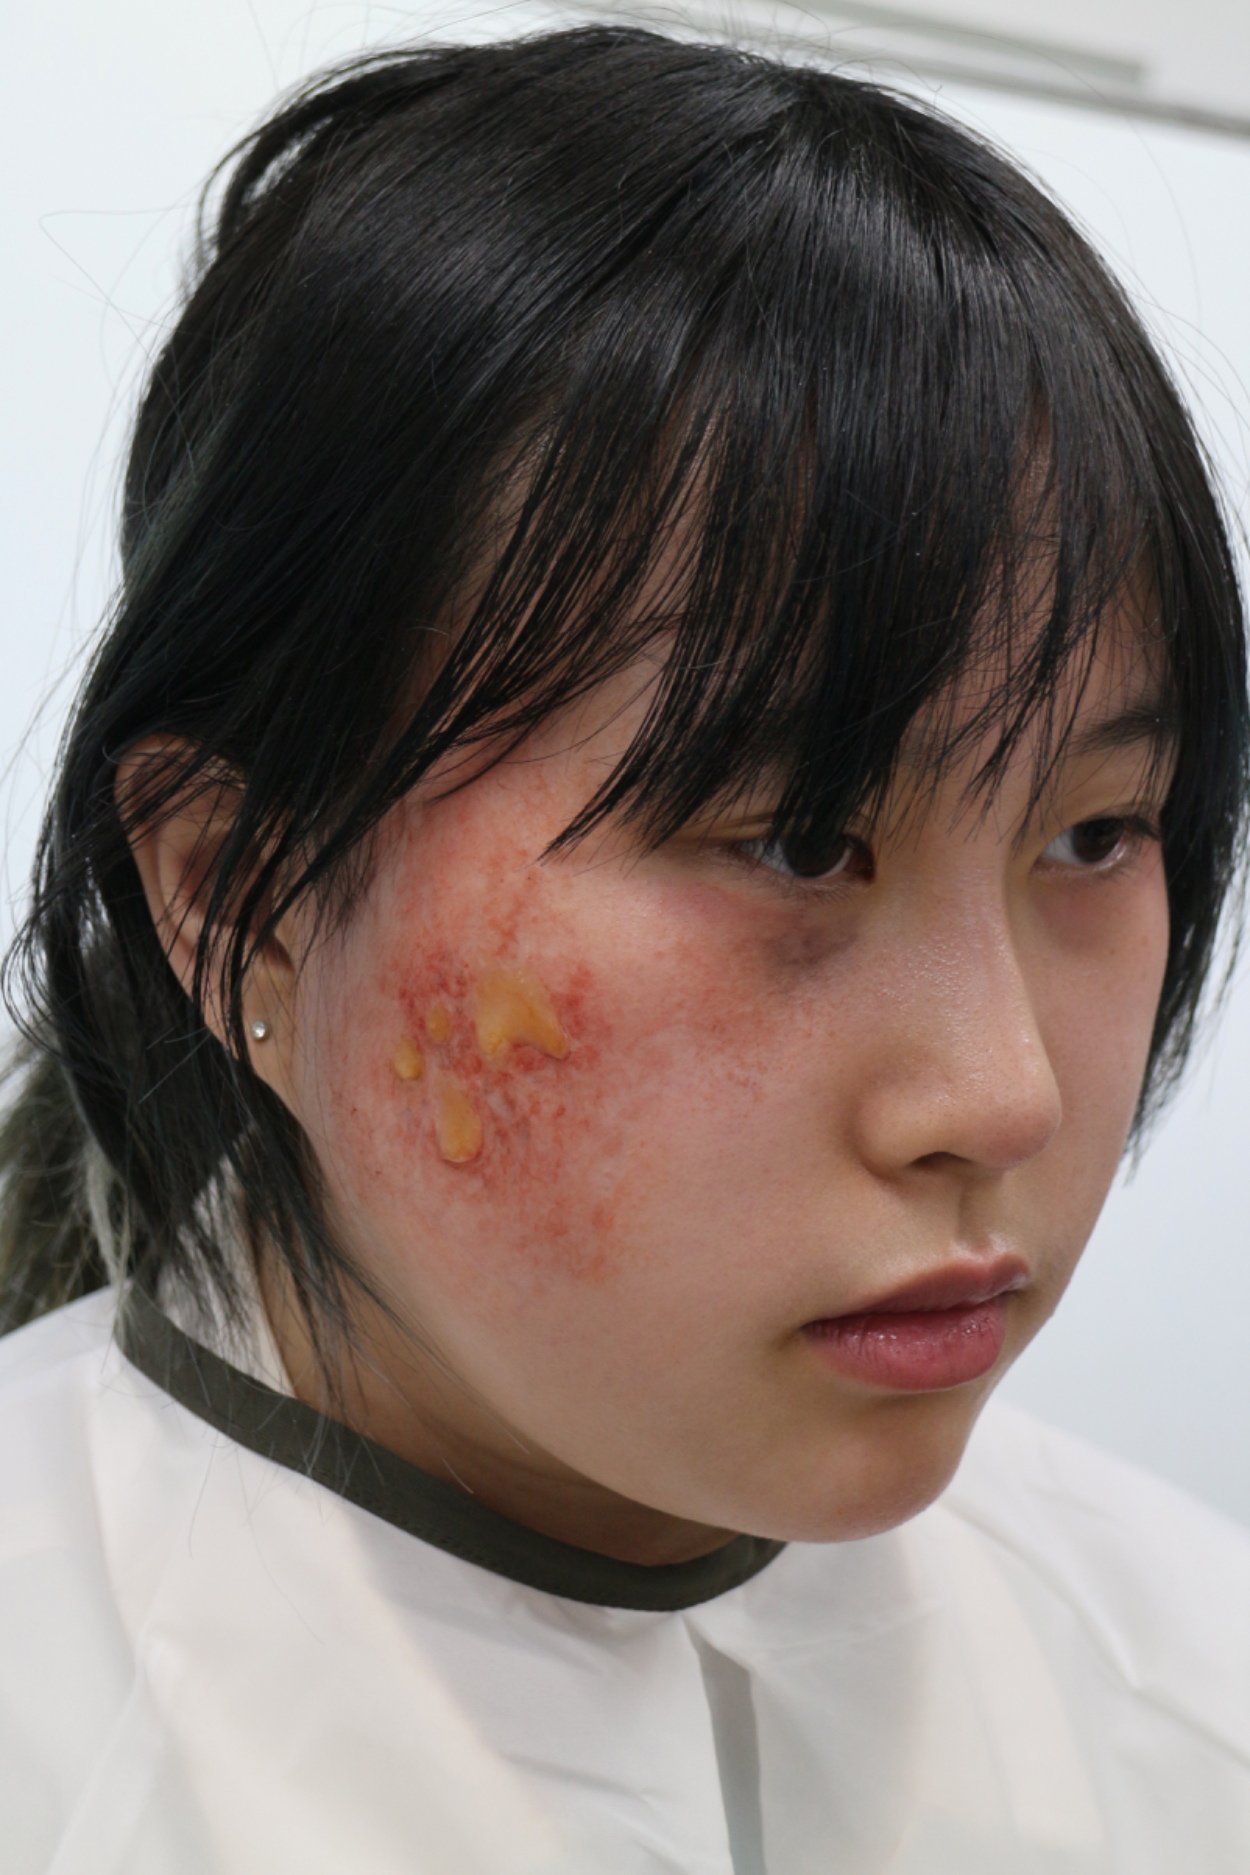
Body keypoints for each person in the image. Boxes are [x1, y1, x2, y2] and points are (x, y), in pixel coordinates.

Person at [1, 25, 1248, 1872]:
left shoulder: (1191, 1686)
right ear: (233, 891)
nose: (1004, 1098)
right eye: (797, 842)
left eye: (1093, 835)